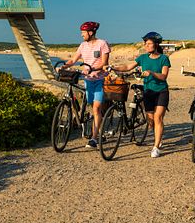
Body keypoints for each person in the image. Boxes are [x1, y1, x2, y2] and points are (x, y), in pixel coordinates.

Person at [110, 32, 171, 158]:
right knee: (151, 120)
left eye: (149, 43)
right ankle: (158, 138)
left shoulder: (164, 59)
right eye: (145, 44)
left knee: (158, 117)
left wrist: (152, 73)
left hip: (161, 91)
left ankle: (156, 147)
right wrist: (113, 68)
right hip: (148, 91)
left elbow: (164, 76)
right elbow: (128, 66)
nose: (146, 46)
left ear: (156, 44)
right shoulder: (142, 58)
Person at [61, 21, 110, 149]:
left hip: (100, 80)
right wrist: (64, 66)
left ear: (91, 32)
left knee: (96, 108)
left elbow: (104, 63)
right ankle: (98, 129)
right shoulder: (82, 45)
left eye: (83, 33)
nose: (82, 35)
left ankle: (94, 139)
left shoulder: (102, 44)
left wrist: (93, 69)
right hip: (88, 80)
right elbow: (73, 60)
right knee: (91, 106)